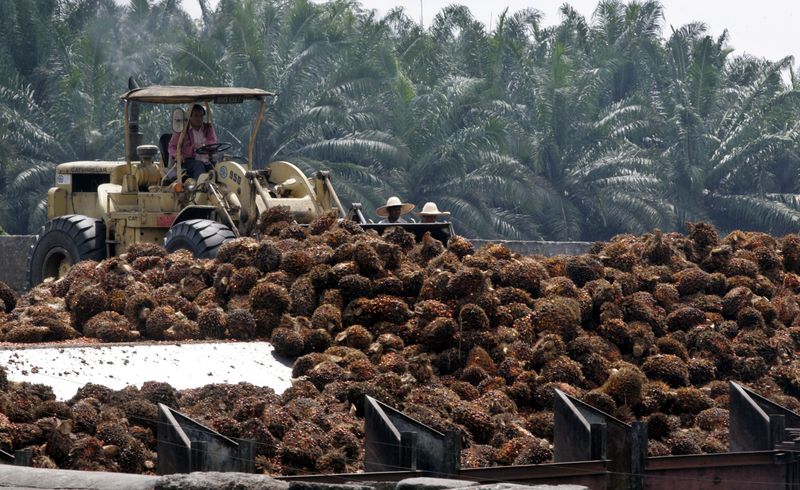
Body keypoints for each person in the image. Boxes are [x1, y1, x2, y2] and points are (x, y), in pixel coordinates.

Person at [168, 104, 217, 180]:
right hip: (189, 161)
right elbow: (172, 147)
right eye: (196, 116)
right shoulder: (182, 130)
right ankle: (200, 189)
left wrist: (203, 145)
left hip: (207, 160)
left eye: (201, 116)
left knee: (221, 167)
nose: (199, 119)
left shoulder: (208, 128)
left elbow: (213, 142)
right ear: (190, 117)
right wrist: (178, 155)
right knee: (198, 166)